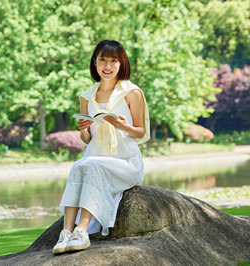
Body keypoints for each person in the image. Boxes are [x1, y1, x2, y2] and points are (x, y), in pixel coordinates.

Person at [52, 40, 150, 255]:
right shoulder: (86, 96)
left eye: (113, 60)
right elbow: (87, 139)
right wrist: (84, 129)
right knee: (78, 166)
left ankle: (82, 231)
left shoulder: (132, 92)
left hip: (125, 161)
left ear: (121, 63)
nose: (107, 66)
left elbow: (141, 132)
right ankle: (66, 233)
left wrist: (125, 126)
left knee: (91, 165)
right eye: (102, 60)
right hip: (94, 155)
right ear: (94, 63)